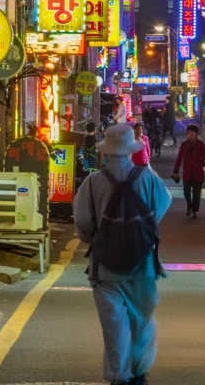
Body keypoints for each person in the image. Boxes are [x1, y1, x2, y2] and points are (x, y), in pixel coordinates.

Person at [74, 122, 171, 385]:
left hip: (105, 267)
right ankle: (139, 371)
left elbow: (83, 222)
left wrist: (94, 237)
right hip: (143, 264)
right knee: (142, 320)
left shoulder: (93, 183)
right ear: (130, 150)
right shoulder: (148, 178)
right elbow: (161, 206)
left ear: (106, 152)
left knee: (114, 326)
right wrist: (142, 230)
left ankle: (119, 376)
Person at [171, 124, 205, 218]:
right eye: (189, 133)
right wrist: (176, 170)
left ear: (196, 134)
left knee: (196, 193)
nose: (190, 135)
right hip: (187, 173)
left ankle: (194, 210)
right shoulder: (184, 145)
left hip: (197, 172)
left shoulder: (200, 145)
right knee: (186, 192)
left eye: (192, 133)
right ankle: (189, 206)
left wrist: (201, 160)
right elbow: (179, 158)